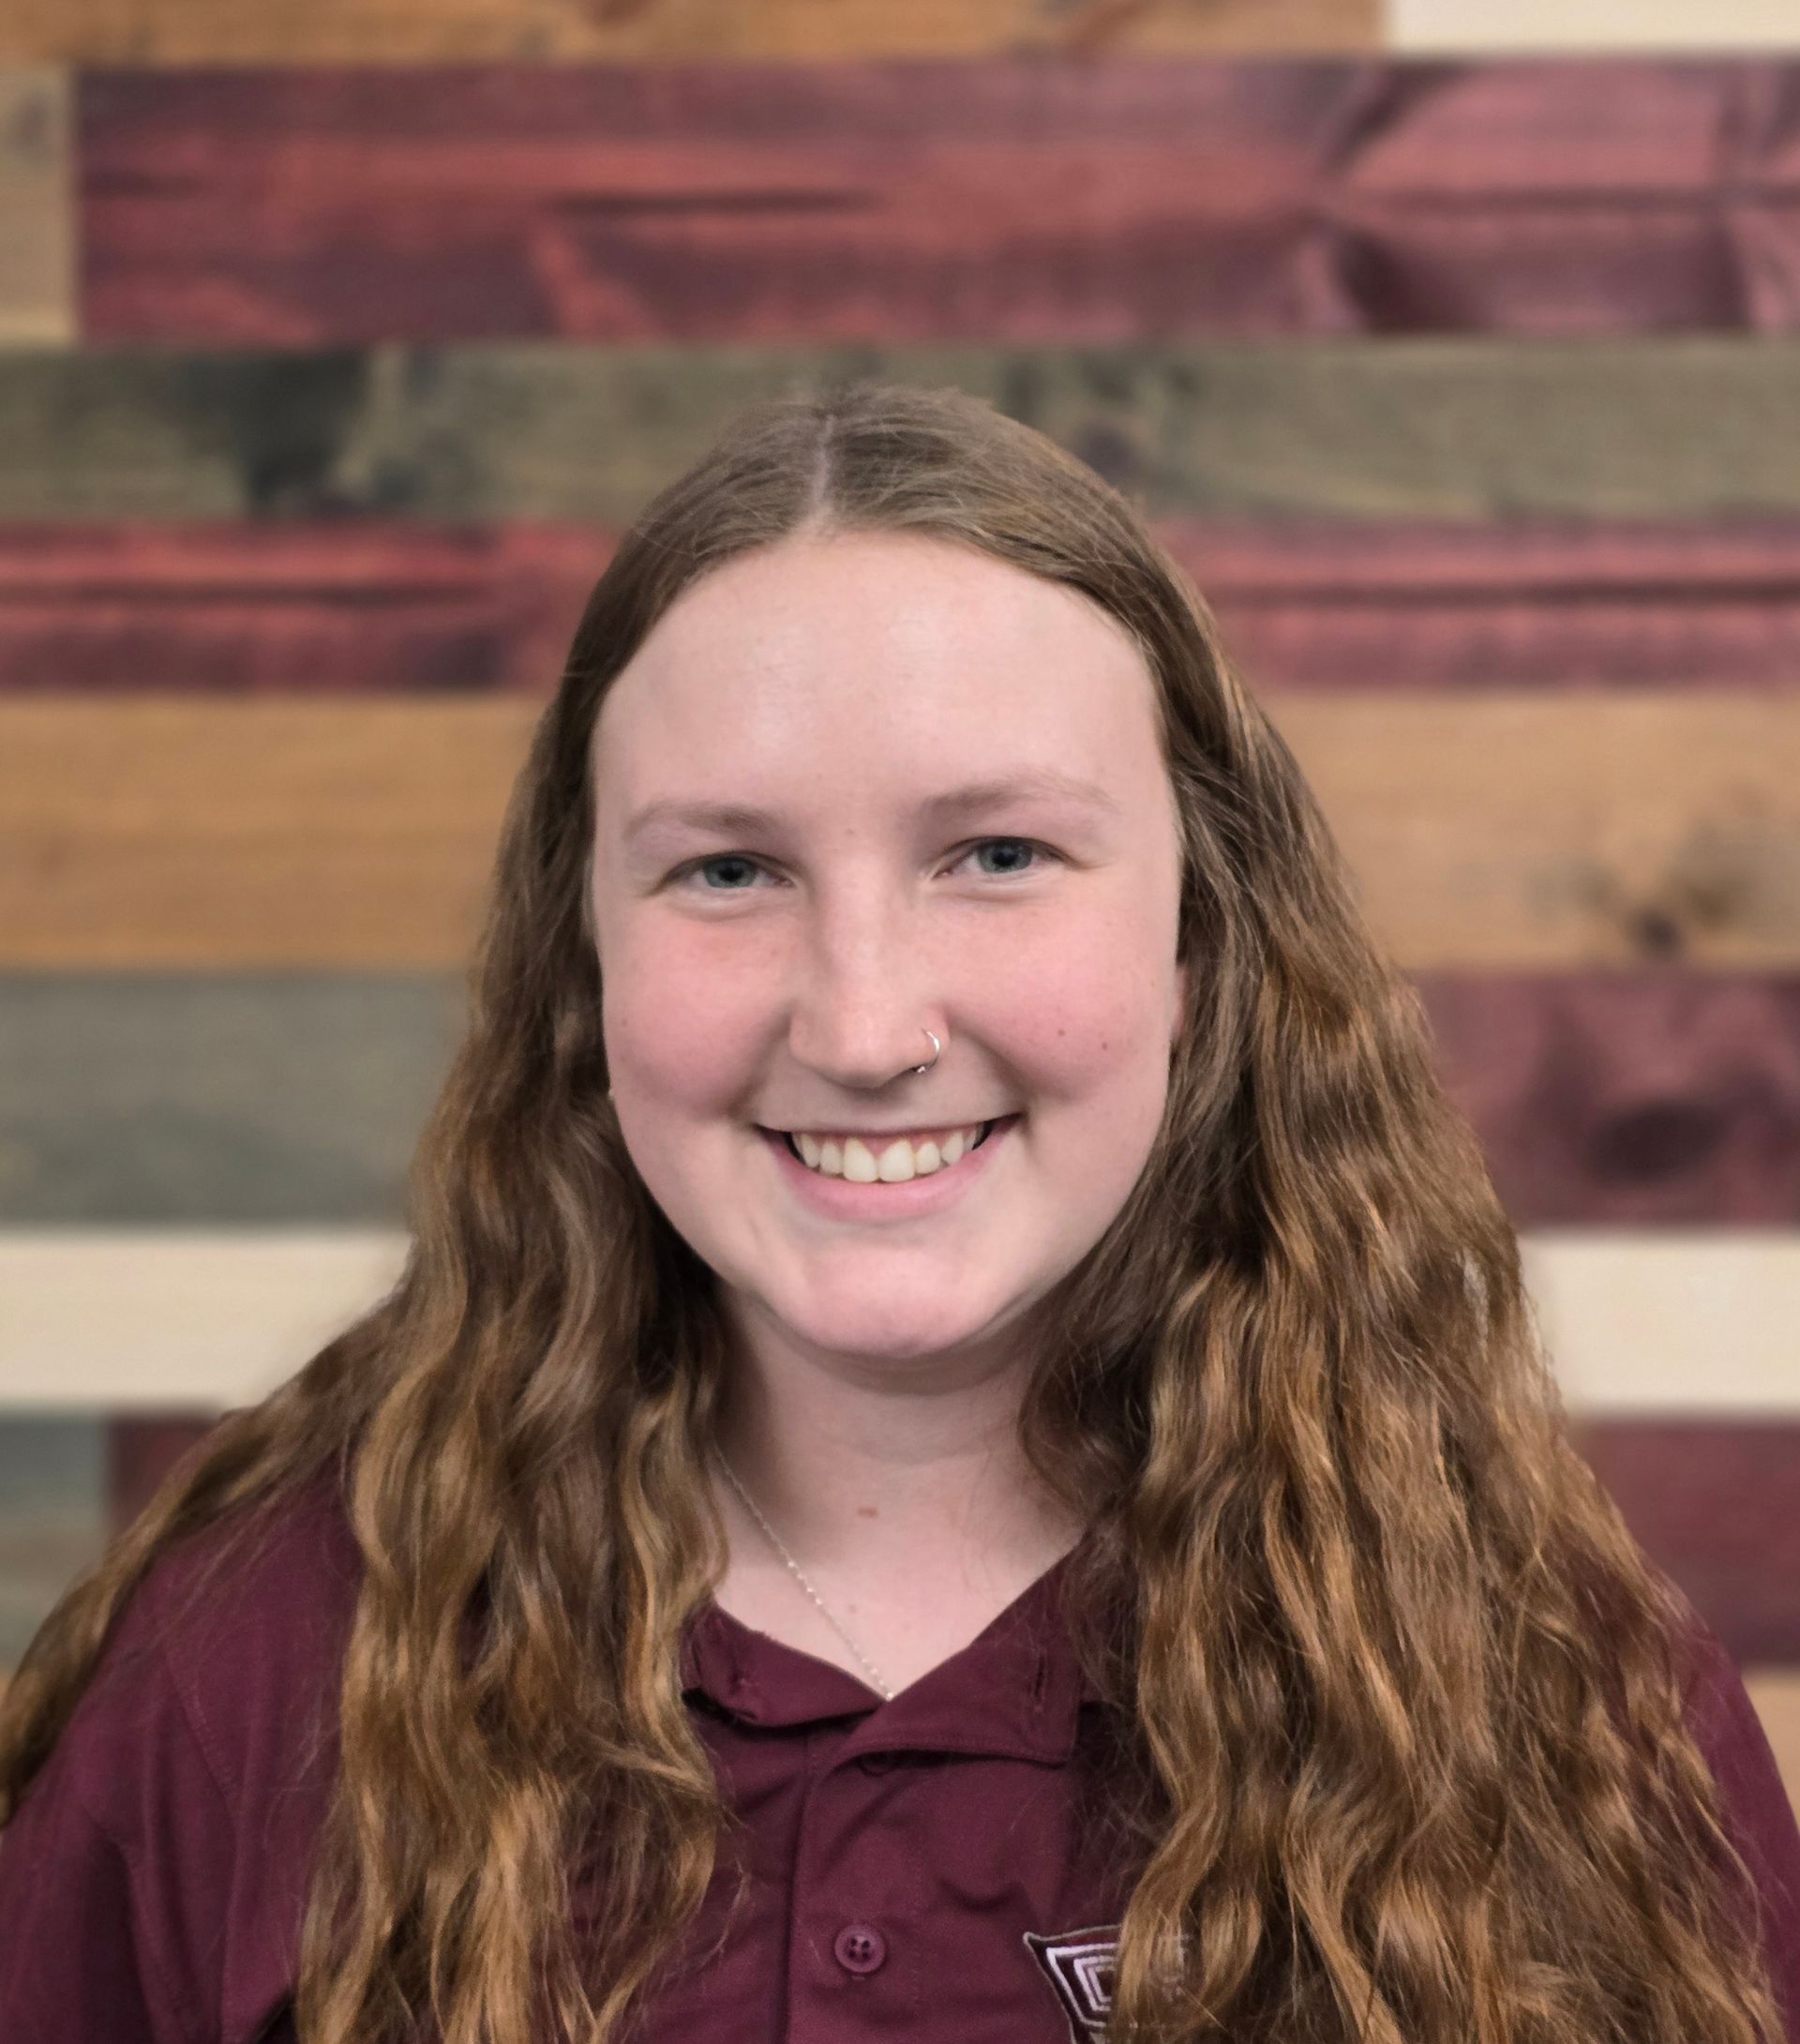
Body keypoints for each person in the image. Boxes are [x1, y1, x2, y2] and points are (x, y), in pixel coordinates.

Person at [0, 378, 1795, 2044]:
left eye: (998, 855)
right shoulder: (248, 1671)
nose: (864, 1029)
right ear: (586, 963)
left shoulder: (1559, 1707)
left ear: (1197, 939)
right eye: (728, 869)